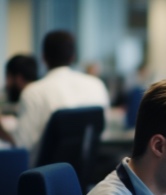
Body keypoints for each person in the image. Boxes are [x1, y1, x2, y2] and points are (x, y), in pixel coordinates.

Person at [4, 30, 110, 163]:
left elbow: (21, 145)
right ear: (73, 57)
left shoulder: (34, 92)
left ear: (43, 57)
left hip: (43, 176)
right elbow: (103, 132)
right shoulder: (96, 85)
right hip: (83, 176)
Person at [0, 54, 38, 145]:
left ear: (19, 78)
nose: (7, 84)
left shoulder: (28, 95)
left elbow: (19, 143)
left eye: (8, 77)